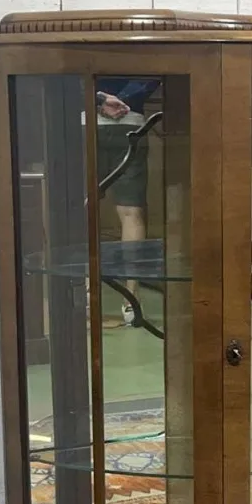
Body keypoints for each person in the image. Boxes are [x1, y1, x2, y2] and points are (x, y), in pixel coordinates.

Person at [95, 78, 160, 324]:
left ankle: (87, 297)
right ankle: (131, 301)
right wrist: (126, 100)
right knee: (131, 214)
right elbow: (154, 69)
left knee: (83, 210)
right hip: (131, 122)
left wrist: (99, 99)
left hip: (85, 120)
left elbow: (66, 70)